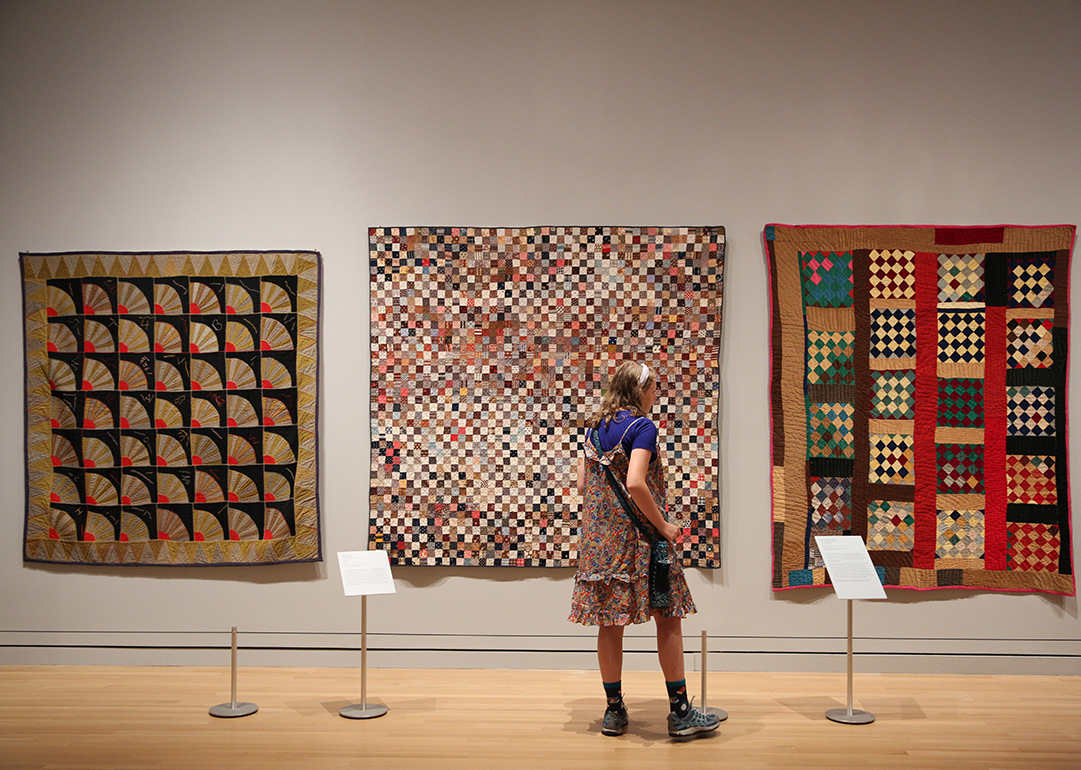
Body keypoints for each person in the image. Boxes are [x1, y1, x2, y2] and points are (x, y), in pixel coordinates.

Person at [569, 361, 720, 739]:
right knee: (668, 617)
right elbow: (636, 482)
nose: (657, 395)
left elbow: (583, 485)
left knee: (609, 623)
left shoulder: (593, 430)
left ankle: (614, 711)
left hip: (602, 544)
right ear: (640, 391)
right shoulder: (643, 427)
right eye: (654, 389)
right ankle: (681, 712)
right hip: (641, 543)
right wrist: (663, 525)